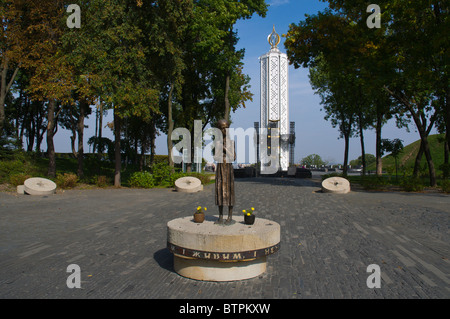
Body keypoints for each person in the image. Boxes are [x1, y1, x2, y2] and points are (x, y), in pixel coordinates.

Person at [214, 119, 236, 225]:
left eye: (226, 128)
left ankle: (230, 216)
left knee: (230, 192)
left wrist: (224, 149)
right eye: (222, 128)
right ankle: (220, 216)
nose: (225, 130)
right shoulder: (217, 142)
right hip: (220, 168)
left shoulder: (231, 142)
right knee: (219, 191)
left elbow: (233, 157)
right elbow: (215, 156)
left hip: (228, 169)